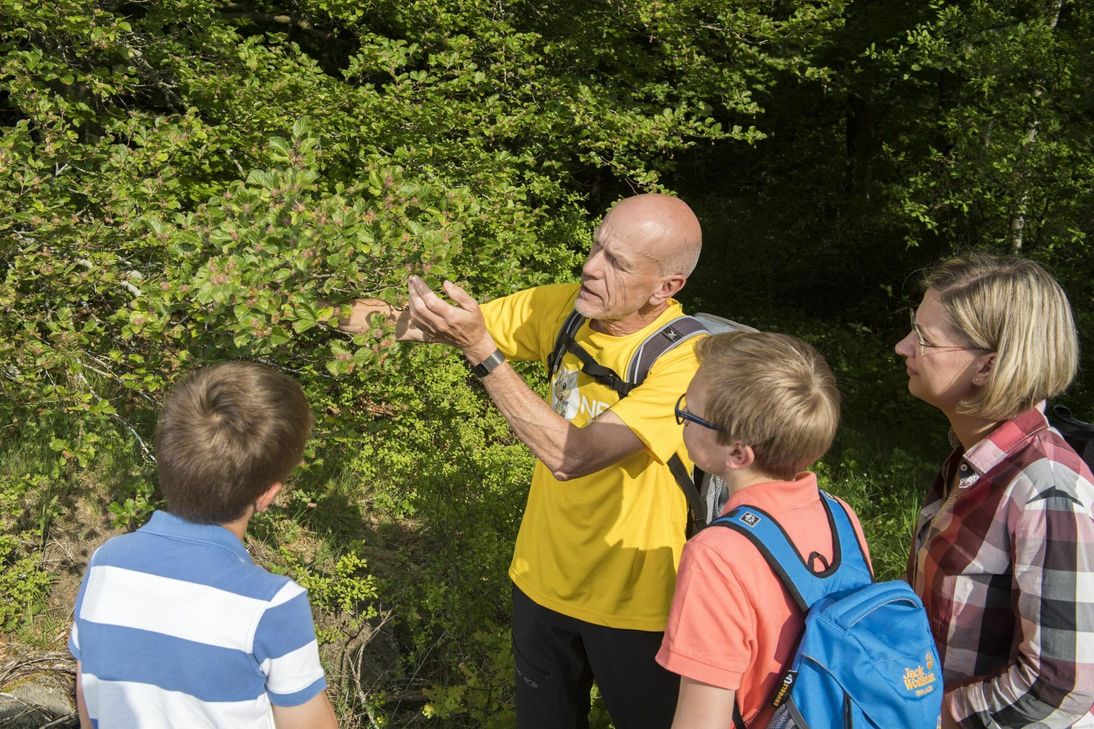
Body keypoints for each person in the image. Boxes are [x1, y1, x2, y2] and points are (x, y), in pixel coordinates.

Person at [343, 193, 703, 728]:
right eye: (596, 246)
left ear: (665, 287)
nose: (590, 267)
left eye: (616, 262)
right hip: (542, 582)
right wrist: (282, 307)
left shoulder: (684, 361)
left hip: (639, 604)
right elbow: (425, 325)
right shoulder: (563, 310)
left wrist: (484, 355)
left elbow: (570, 455)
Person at [68, 362, 339, 729]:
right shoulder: (272, 605)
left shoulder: (107, 564)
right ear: (268, 495)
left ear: (166, 459)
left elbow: (90, 704)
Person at [895, 252, 1094, 728]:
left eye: (925, 339)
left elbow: (1059, 686)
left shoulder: (1045, 491)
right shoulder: (972, 461)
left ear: (987, 366)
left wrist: (928, 717)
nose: (903, 347)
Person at [655, 330, 867, 728]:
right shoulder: (841, 516)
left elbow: (702, 722)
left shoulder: (716, 555)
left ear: (737, 452)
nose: (681, 418)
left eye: (689, 412)